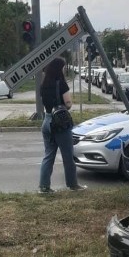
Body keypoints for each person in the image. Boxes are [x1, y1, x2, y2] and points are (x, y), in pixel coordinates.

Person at [39, 57, 85, 193]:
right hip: (60, 123)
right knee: (68, 156)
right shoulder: (62, 84)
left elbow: (45, 103)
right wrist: (67, 104)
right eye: (63, 67)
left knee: (48, 156)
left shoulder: (43, 85)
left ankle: (44, 187)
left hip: (47, 121)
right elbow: (68, 104)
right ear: (59, 69)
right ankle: (72, 185)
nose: (65, 70)